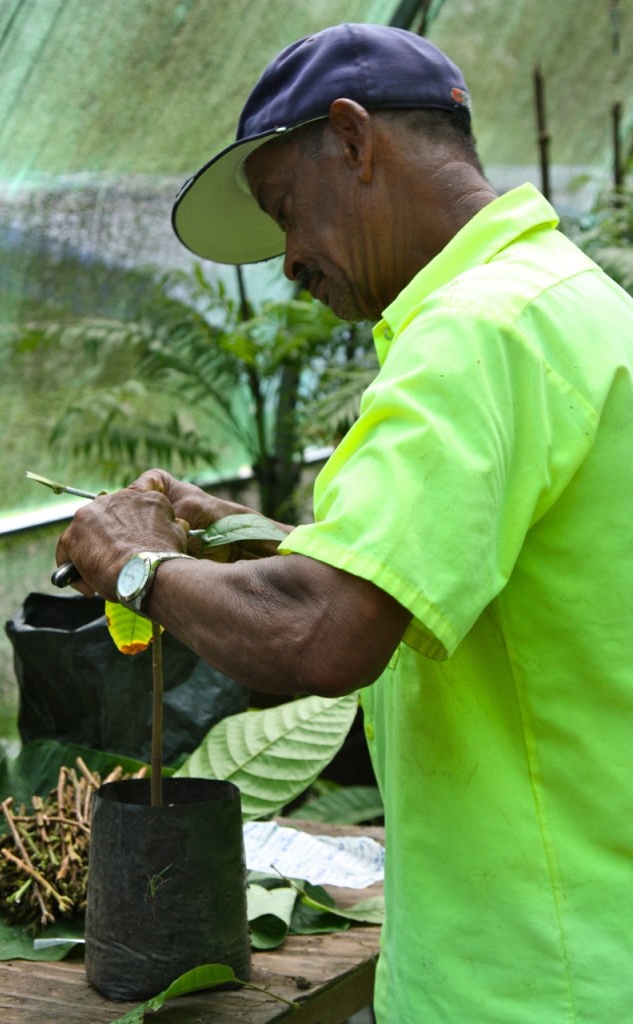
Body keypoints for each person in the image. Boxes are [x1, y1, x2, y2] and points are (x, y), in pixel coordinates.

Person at [56, 23, 633, 1024]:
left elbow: (323, 633)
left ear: (356, 140)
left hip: (529, 980)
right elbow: (459, 584)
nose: (287, 260)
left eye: (286, 210)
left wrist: (134, 565)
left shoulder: (470, 334)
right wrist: (244, 533)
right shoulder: (574, 306)